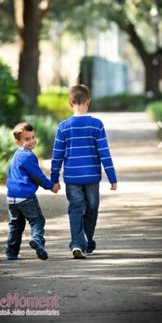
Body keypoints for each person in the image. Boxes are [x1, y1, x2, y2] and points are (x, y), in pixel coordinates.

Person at [50, 84, 117, 259]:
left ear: (70, 103)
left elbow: (57, 156)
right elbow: (104, 153)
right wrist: (112, 177)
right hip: (92, 177)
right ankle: (79, 243)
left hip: (71, 177)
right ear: (88, 101)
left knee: (76, 209)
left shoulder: (63, 127)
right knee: (92, 209)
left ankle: (83, 242)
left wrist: (54, 179)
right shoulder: (96, 125)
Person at [5, 121, 59, 260]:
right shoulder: (28, 156)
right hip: (25, 196)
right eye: (27, 139)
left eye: (33, 137)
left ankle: (11, 252)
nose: (32, 141)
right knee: (37, 221)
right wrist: (51, 186)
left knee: (16, 225)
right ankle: (36, 239)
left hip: (12, 197)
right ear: (18, 142)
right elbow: (37, 176)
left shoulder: (17, 155)